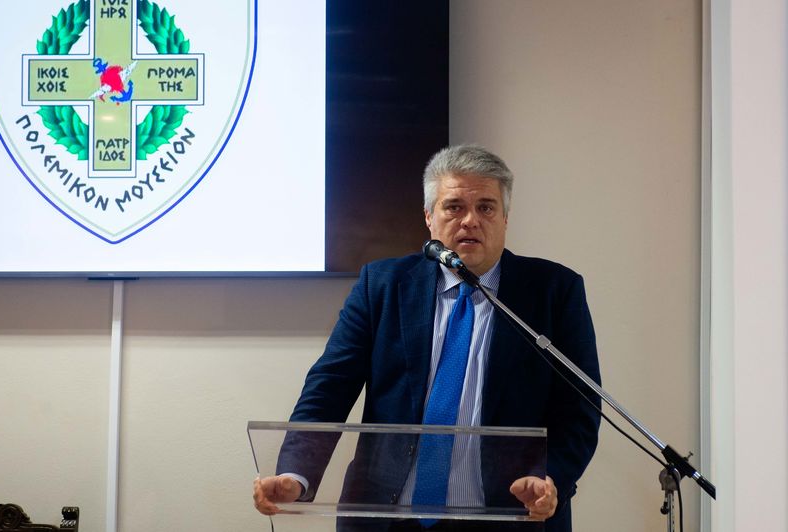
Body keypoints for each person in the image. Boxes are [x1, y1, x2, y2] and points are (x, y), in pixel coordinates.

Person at [253, 145, 601, 531]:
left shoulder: (554, 291)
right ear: (429, 217)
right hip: (388, 518)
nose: (470, 221)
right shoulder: (382, 285)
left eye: (486, 207)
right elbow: (329, 387)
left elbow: (579, 411)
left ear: (505, 217)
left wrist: (551, 478)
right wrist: (295, 474)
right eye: (454, 207)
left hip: (509, 517)